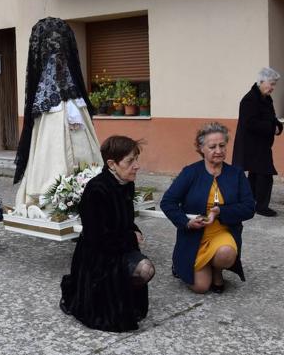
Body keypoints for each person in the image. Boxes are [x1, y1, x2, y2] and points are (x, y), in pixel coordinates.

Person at [59, 135, 153, 332]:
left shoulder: (126, 183)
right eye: (130, 161)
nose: (136, 165)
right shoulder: (96, 189)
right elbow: (96, 237)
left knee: (146, 270)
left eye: (136, 159)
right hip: (97, 256)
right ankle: (108, 300)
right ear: (112, 164)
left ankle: (124, 299)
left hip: (120, 247)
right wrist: (129, 237)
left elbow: (125, 220)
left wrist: (134, 230)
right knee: (143, 269)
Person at [13, 17, 103, 213]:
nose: (58, 54)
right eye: (53, 44)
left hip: (70, 104)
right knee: (50, 152)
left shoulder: (70, 80)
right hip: (52, 112)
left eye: (61, 43)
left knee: (83, 152)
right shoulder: (45, 86)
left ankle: (85, 191)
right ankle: (57, 195)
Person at [161, 122, 254, 293]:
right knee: (201, 287)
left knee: (226, 254)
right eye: (212, 146)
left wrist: (221, 212)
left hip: (222, 232)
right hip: (194, 235)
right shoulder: (190, 172)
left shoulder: (236, 174)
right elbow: (168, 202)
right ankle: (180, 263)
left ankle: (217, 271)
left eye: (222, 145)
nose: (218, 150)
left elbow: (249, 207)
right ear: (201, 148)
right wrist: (186, 222)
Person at [232, 67, 282, 217]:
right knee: (265, 174)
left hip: (262, 145)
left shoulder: (266, 98)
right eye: (271, 84)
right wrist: (272, 127)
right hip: (251, 145)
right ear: (261, 82)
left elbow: (272, 117)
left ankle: (251, 202)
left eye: (274, 85)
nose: (273, 88)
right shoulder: (249, 100)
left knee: (256, 174)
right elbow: (250, 123)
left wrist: (279, 126)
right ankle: (261, 206)